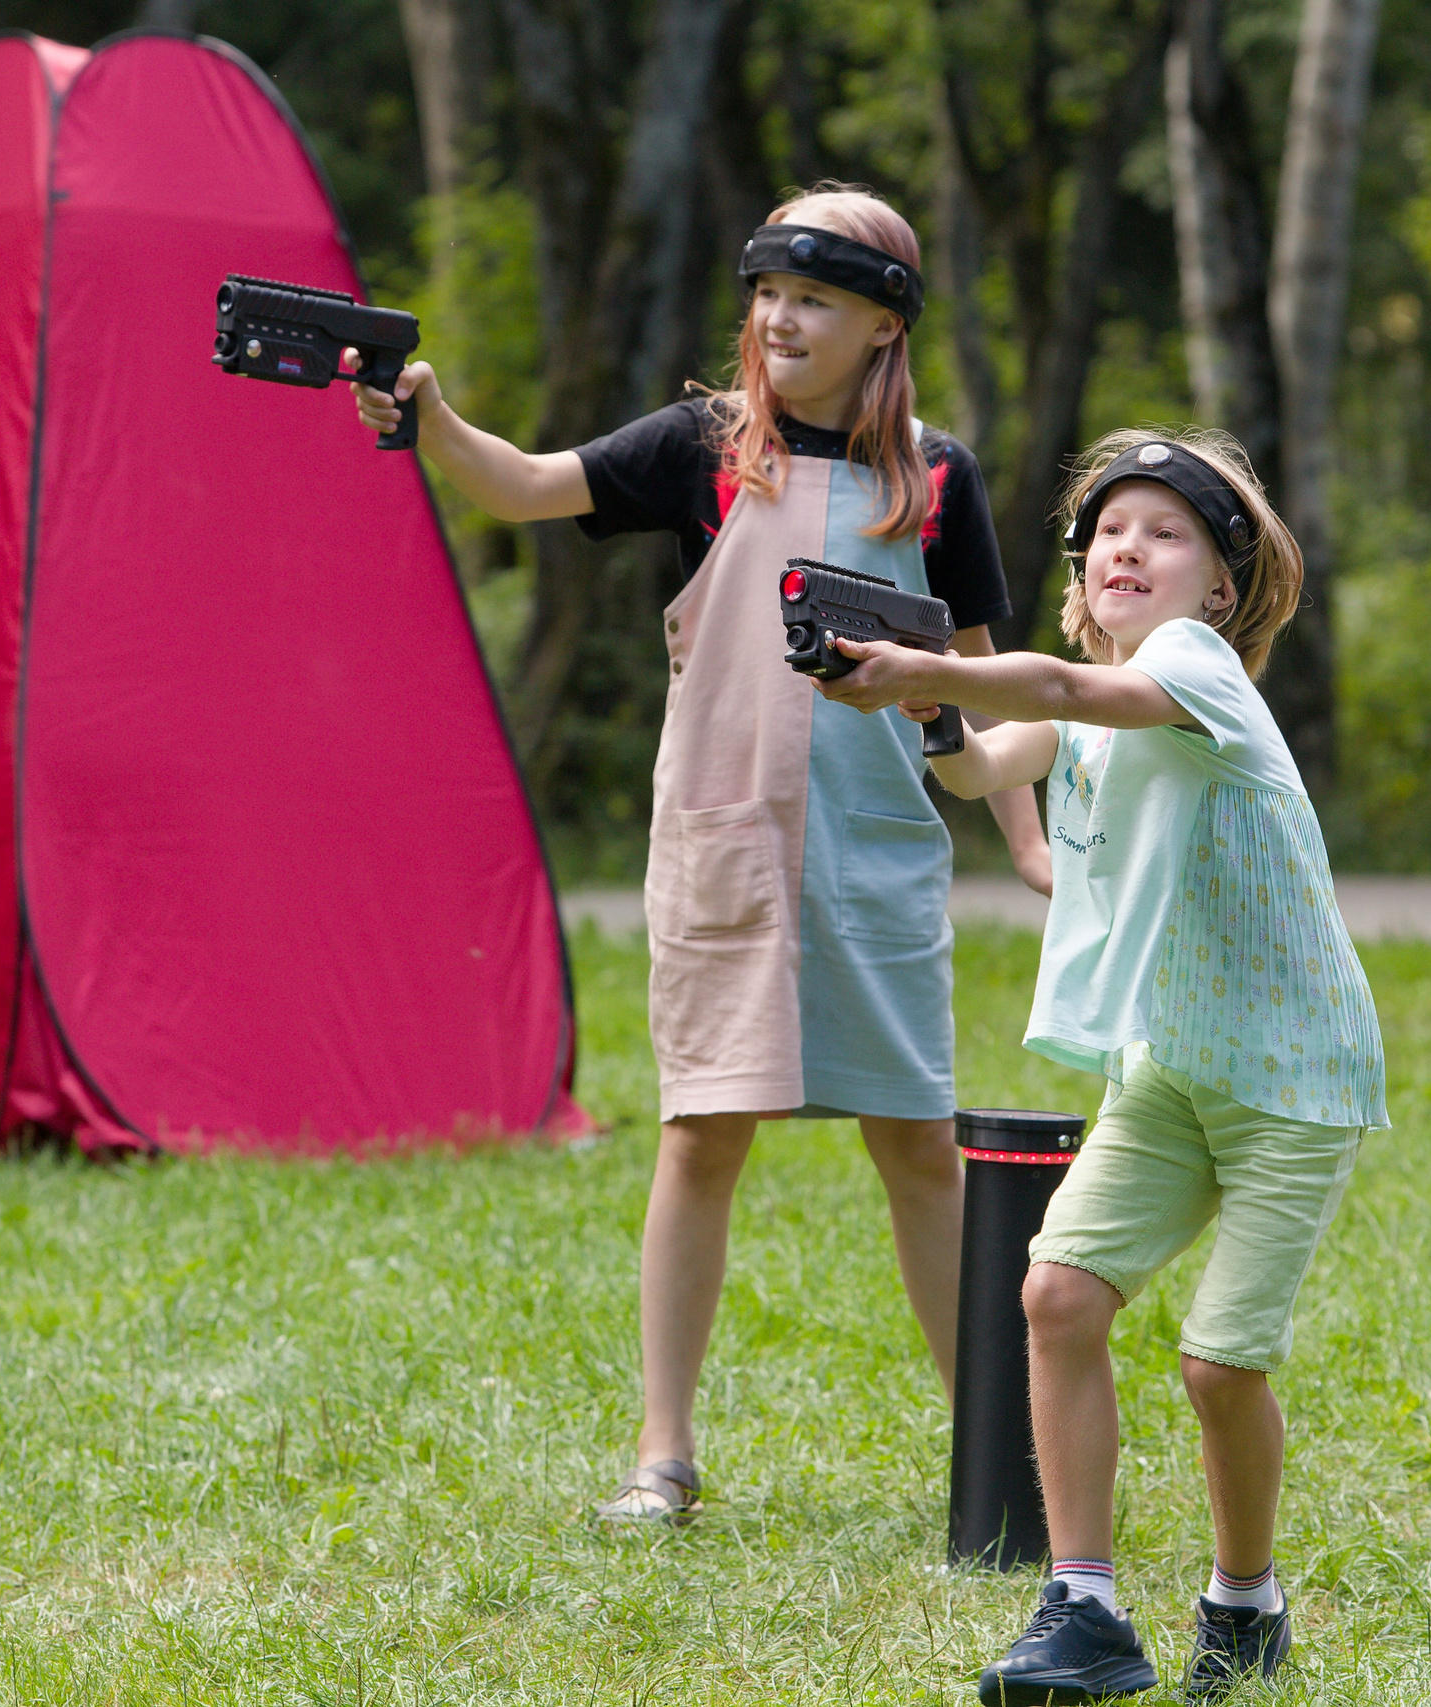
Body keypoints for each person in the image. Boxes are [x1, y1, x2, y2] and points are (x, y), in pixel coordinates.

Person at [356, 186, 1050, 1526]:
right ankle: (661, 1453)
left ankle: (995, 1452)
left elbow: (985, 689)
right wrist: (431, 418)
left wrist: (1024, 838)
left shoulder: (942, 478)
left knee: (917, 1145)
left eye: (819, 301)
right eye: (771, 295)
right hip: (724, 846)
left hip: (878, 856)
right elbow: (524, 488)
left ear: (882, 327)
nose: (783, 320)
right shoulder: (702, 445)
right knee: (701, 1138)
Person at [818, 427, 1387, 1702]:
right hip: (1170, 1067)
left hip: (1292, 1078)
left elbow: (1070, 699)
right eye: (1108, 532)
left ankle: (1245, 1603)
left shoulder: (1196, 671)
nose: (1129, 548)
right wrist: (920, 698)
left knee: (1218, 1365)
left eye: (1165, 533)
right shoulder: (1081, 688)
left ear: (1222, 586)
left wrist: (939, 664)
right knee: (1058, 1299)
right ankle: (1081, 1607)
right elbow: (983, 764)